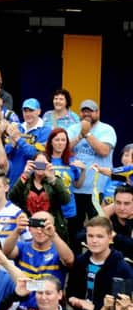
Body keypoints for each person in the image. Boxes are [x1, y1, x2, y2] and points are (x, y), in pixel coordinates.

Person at [66, 216, 133, 310]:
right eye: (90, 236)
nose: (94, 240)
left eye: (99, 236)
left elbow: (124, 307)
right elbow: (71, 291)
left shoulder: (122, 268)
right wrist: (73, 300)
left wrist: (94, 307)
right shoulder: (80, 262)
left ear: (110, 238)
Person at [67, 99, 117, 252]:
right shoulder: (73, 128)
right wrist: (79, 136)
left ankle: (98, 258)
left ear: (98, 113)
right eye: (83, 110)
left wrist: (87, 133)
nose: (86, 113)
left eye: (90, 110)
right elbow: (63, 149)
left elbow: (103, 151)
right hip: (75, 189)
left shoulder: (107, 130)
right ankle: (76, 263)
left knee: (99, 230)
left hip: (98, 191)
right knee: (74, 231)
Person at [3, 211, 74, 308]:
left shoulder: (59, 250)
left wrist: (53, 235)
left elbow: (69, 260)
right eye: (36, 225)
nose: (40, 231)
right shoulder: (22, 247)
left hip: (49, 308)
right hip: (23, 307)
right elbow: (6, 253)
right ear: (29, 228)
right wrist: (17, 230)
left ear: (53, 228)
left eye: (45, 226)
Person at [9, 154, 71, 242]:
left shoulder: (55, 180)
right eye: (37, 164)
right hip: (30, 226)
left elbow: (66, 200)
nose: (40, 167)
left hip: (51, 226)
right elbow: (12, 198)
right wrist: (25, 174)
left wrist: (52, 179)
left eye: (43, 164)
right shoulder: (25, 181)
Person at [5, 98, 52, 186]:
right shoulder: (18, 128)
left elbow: (36, 155)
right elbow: (7, 153)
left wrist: (18, 139)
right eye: (25, 111)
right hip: (14, 179)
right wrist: (12, 143)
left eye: (31, 110)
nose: (28, 114)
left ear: (39, 111)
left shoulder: (46, 130)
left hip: (34, 182)